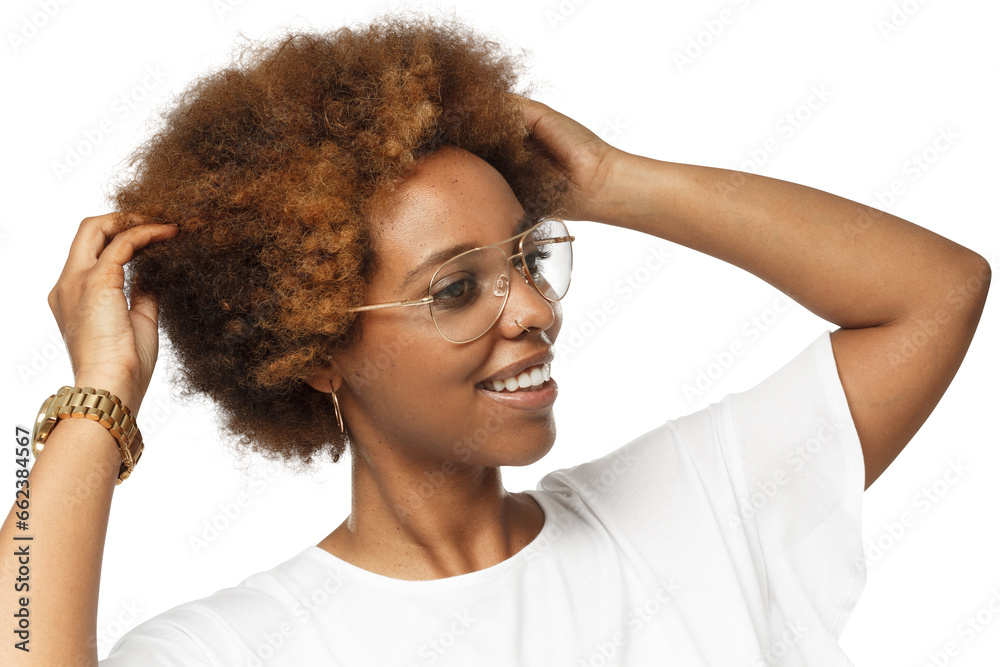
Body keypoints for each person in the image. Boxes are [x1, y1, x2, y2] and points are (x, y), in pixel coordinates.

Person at [1, 12, 990, 667]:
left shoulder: (697, 509)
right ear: (317, 354)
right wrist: (93, 404)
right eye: (458, 288)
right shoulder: (238, 647)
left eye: (526, 257)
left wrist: (610, 182)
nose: (534, 311)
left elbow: (934, 293)